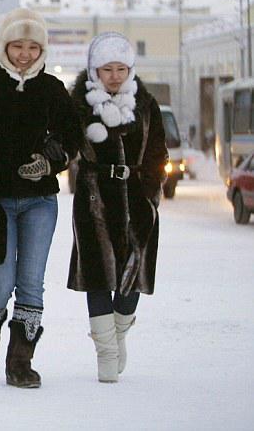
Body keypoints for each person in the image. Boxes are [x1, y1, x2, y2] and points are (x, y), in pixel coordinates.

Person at [0, 8, 82, 388]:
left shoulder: (52, 90)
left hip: (39, 200)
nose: (26, 54)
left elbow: (71, 137)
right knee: (0, 282)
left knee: (31, 282)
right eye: (18, 46)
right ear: (4, 46)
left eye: (34, 47)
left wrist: (50, 162)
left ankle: (20, 363)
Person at [69, 32, 167, 382]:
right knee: (96, 275)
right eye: (107, 69)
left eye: (121, 68)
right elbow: (65, 146)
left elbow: (158, 152)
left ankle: (119, 333)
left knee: (133, 277)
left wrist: (152, 191)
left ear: (130, 69)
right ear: (95, 70)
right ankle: (106, 352)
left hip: (138, 200)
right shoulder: (78, 104)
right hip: (94, 199)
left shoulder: (146, 103)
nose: (114, 75)